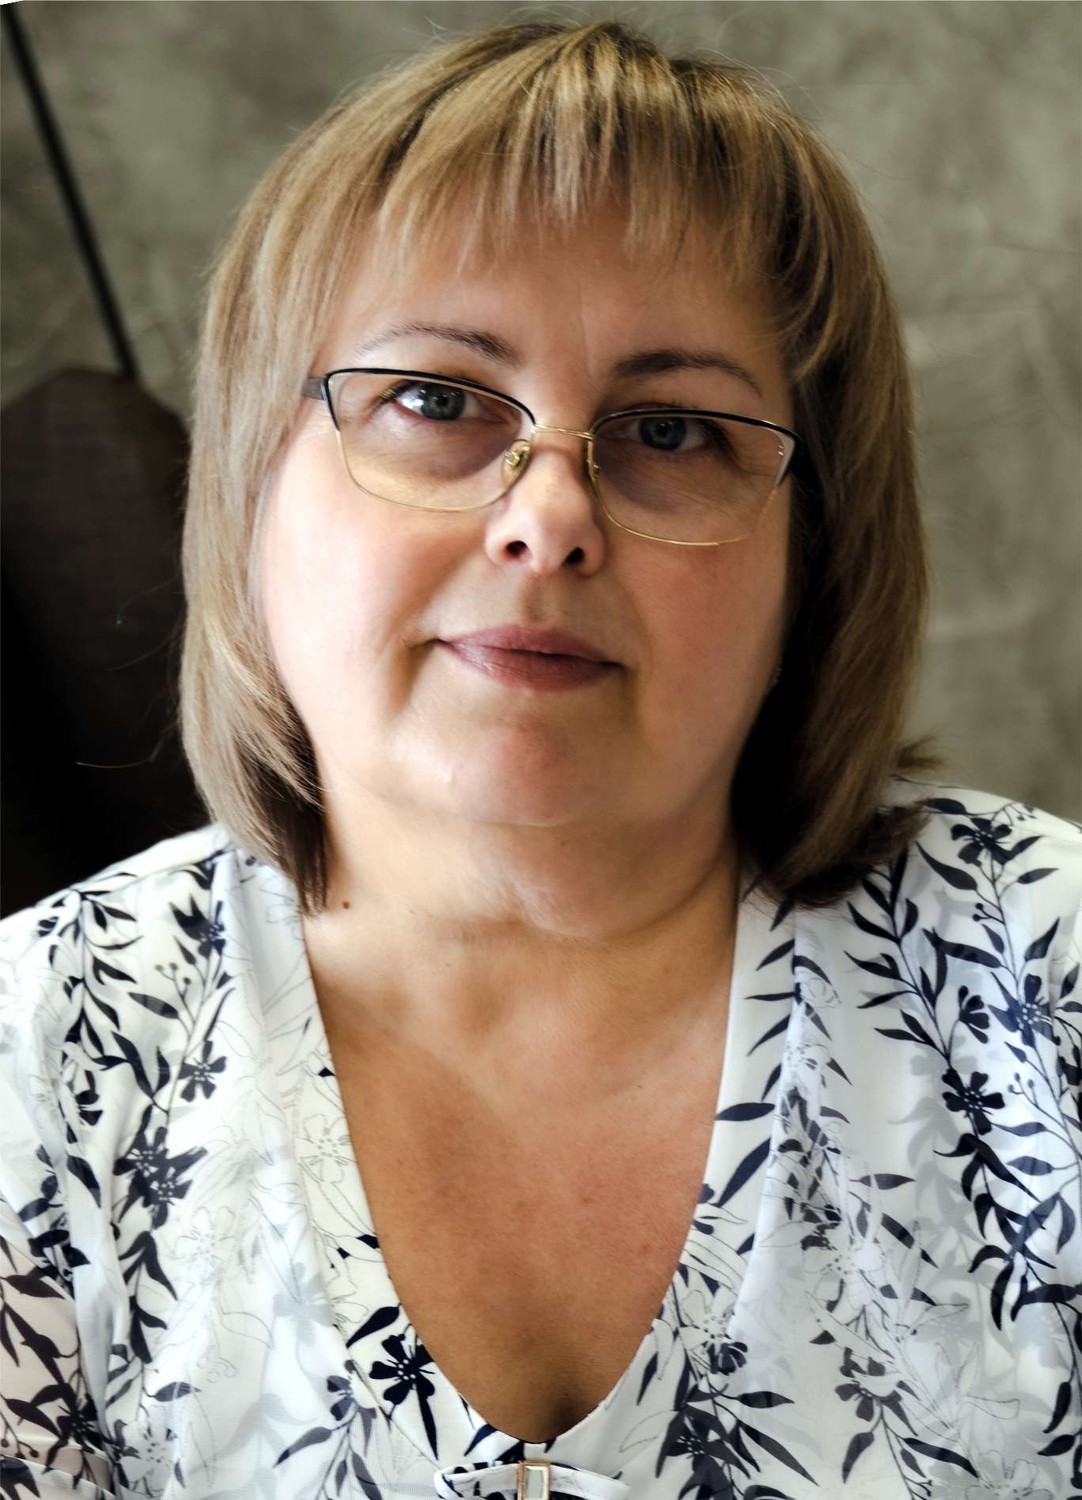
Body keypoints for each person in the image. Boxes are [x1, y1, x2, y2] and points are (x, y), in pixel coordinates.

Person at [1, 17, 1079, 1500]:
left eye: (670, 431)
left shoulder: (1044, 981)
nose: (550, 518)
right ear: (251, 482)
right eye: (437, 401)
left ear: (811, 557)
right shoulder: (29, 1073)